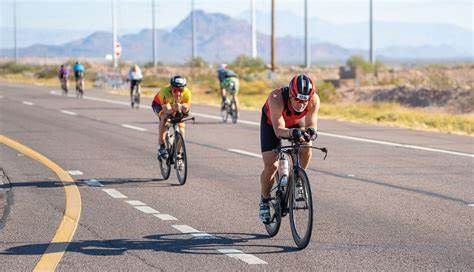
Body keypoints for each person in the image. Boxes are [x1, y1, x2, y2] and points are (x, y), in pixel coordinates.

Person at [258, 74, 320, 224]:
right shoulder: (276, 98)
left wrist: (310, 132)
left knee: (307, 146)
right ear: (291, 94)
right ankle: (264, 201)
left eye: (304, 100)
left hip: (295, 123)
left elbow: (311, 124)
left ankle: (298, 180)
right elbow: (279, 130)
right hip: (272, 125)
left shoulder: (314, 100)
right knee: (271, 166)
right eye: (297, 99)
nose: (301, 104)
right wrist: (292, 133)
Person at [151, 75, 192, 160]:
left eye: (181, 90)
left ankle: (177, 154)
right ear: (171, 87)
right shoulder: (164, 91)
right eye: (176, 90)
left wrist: (183, 107)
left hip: (175, 106)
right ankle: (161, 146)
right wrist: (175, 107)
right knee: (164, 118)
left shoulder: (187, 93)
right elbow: (167, 109)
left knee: (182, 131)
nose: (178, 92)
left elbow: (186, 108)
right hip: (159, 105)